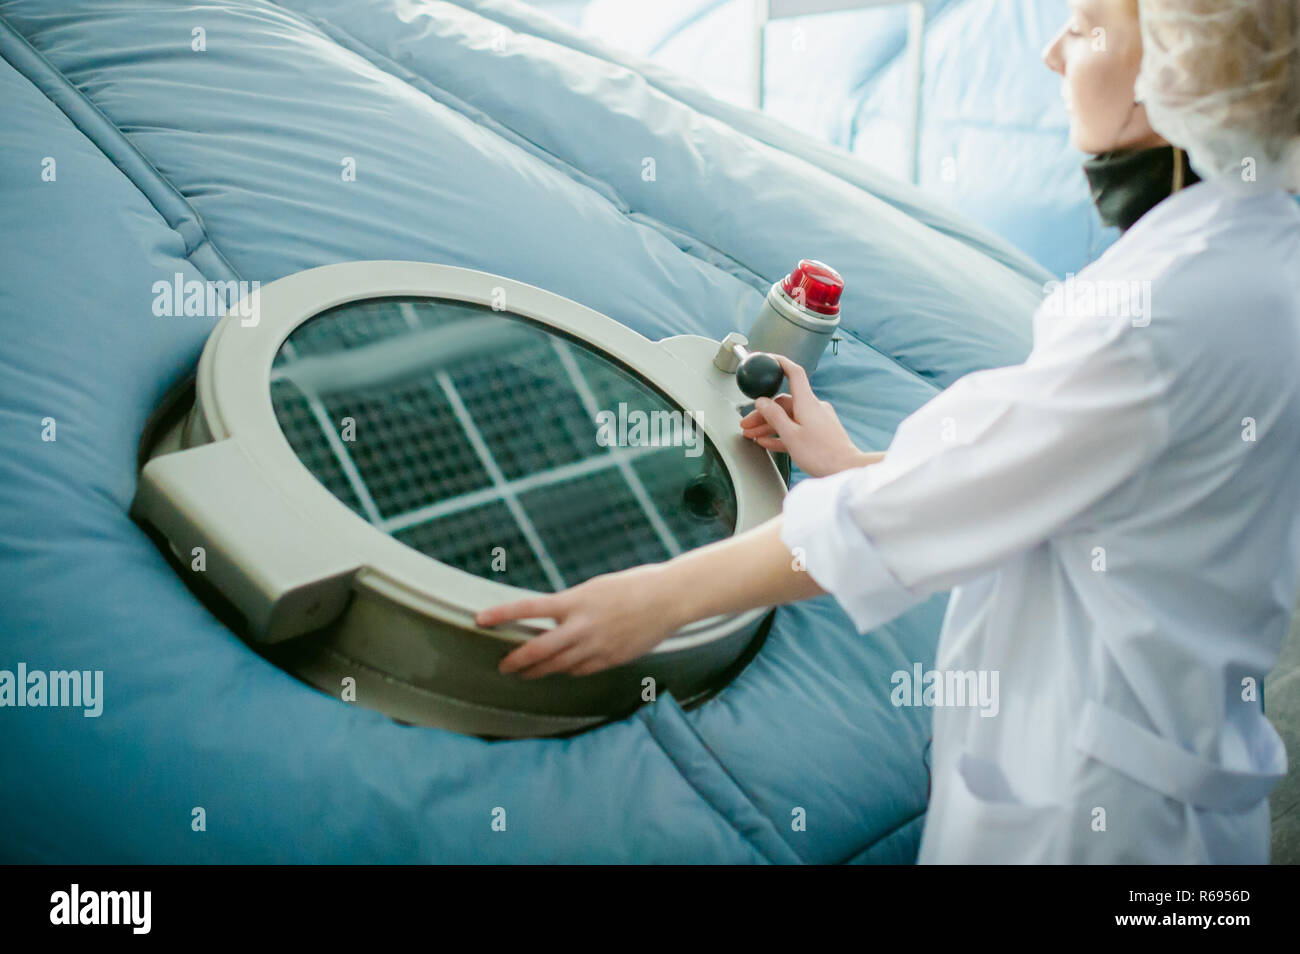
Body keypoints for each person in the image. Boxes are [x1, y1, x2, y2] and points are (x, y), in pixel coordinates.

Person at [476, 0, 1300, 863]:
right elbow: (1065, 478)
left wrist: (655, 601)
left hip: (1103, 822)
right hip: (1186, 793)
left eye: (1089, 26)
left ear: (1180, 72)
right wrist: (850, 462)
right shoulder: (1256, 258)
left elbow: (931, 507)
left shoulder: (1160, 319)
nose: (1056, 54)